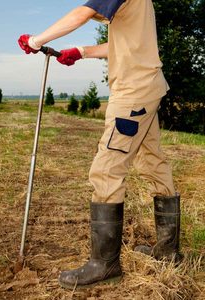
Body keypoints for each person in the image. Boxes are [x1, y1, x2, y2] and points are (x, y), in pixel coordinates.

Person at [18, 0, 182, 290]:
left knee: (106, 169)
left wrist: (36, 40)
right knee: (153, 162)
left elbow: (81, 13)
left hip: (132, 95)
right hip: (147, 89)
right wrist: (81, 52)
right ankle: (168, 252)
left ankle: (104, 264)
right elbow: (121, 46)